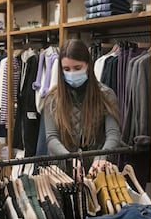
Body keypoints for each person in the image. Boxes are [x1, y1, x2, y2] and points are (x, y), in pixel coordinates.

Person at [43, 39, 121, 178]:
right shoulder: (52, 98)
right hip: (63, 172)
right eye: (66, 69)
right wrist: (69, 158)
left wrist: (101, 156)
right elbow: (51, 138)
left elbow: (113, 133)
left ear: (88, 66)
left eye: (77, 68)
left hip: (97, 171)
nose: (72, 73)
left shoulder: (106, 95)